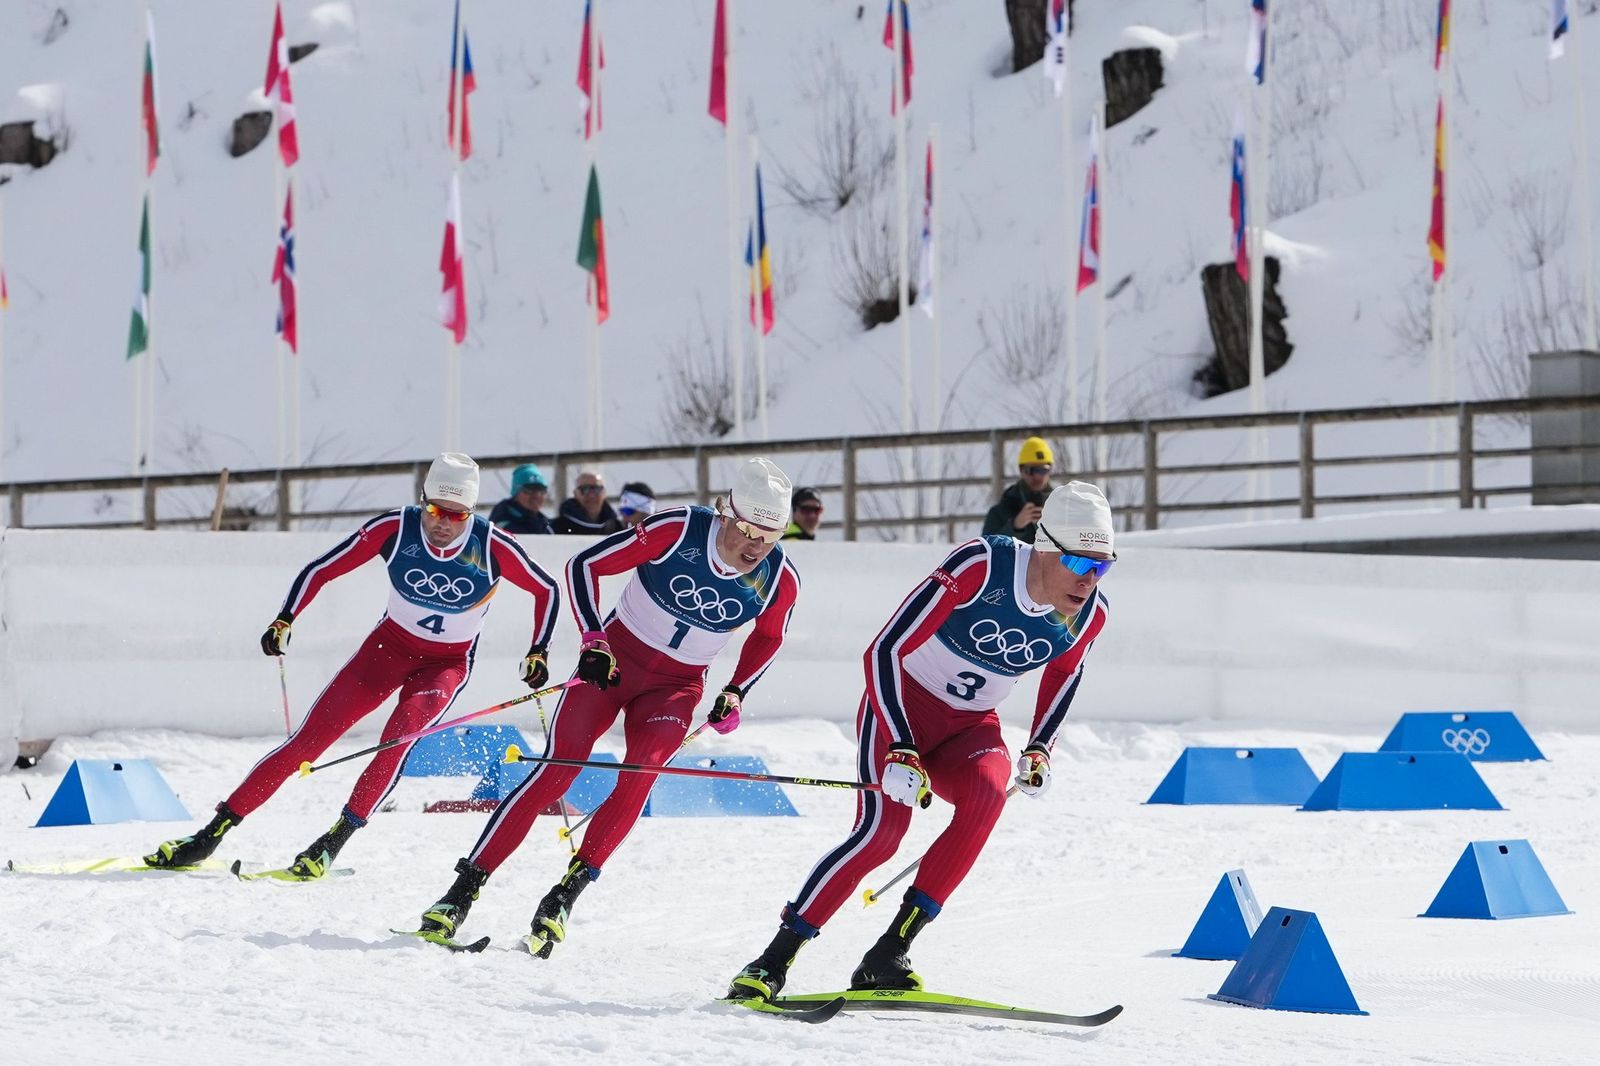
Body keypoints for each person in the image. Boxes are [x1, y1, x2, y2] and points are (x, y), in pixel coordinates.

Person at [726, 480, 1114, 1002]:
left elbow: (1066, 674)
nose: (1090, 580)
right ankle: (773, 959)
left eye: (1103, 566)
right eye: (1081, 564)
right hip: (900, 711)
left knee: (986, 797)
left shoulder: (1089, 613)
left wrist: (1040, 745)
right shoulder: (983, 566)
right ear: (1046, 548)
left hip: (970, 727)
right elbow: (884, 650)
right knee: (883, 833)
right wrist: (902, 744)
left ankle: (888, 953)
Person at [412, 457, 803, 955]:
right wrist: (594, 639)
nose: (756, 547)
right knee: (556, 770)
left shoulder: (779, 578)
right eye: (749, 530)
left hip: (676, 689)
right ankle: (462, 891)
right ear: (727, 513)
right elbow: (584, 566)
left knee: (642, 773)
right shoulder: (680, 530)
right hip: (614, 665)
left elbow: (768, 637)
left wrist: (736, 690)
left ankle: (564, 896)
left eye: (770, 537)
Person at [144, 453, 562, 878]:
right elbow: (321, 569)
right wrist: (285, 617)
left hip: (446, 665)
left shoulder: (490, 545)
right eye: (434, 510)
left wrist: (538, 650)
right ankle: (209, 835)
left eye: (455, 516)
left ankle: (332, 842)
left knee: (394, 742)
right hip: (386, 651)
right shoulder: (395, 528)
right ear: (422, 501)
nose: (442, 524)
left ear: (470, 513)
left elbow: (547, 590)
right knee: (307, 743)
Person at [981, 436, 1056, 543]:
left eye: (1042, 470)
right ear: (1021, 470)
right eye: (1031, 470)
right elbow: (986, 551)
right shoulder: (1001, 512)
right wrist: (1015, 527)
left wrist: (1049, 529)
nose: (1037, 476)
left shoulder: (1061, 508)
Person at [553, 468, 624, 535]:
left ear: (604, 493)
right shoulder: (556, 528)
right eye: (585, 489)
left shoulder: (617, 529)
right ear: (575, 494)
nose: (591, 495)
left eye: (597, 489)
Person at [489, 463, 554, 535]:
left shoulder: (545, 525)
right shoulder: (501, 526)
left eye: (542, 490)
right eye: (530, 490)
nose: (537, 495)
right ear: (516, 493)